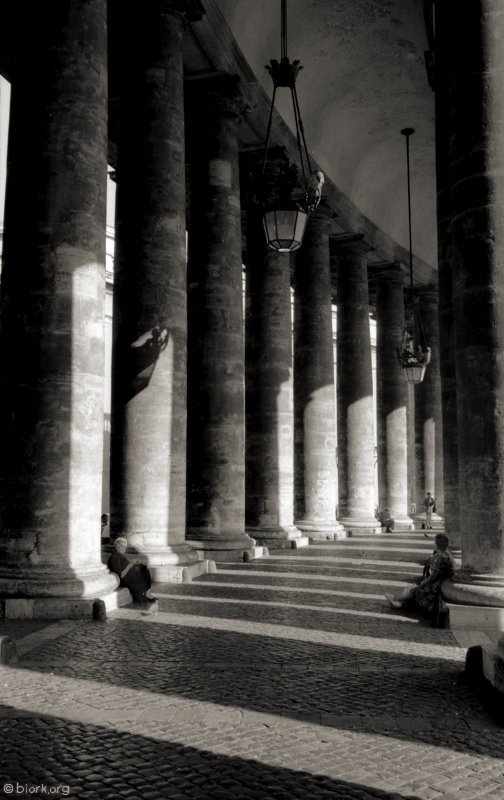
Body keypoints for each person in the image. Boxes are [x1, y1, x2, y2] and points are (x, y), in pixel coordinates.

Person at [385, 532, 454, 618]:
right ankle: (399, 602)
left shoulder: (442, 559)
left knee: (414, 590)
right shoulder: (447, 555)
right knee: (413, 589)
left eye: (434, 542)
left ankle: (396, 599)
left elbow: (433, 577)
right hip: (440, 583)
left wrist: (422, 584)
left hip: (436, 586)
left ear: (437, 545)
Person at [107, 537, 158, 611]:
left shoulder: (120, 555)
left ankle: (147, 593)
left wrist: (135, 564)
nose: (123, 548)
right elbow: (121, 575)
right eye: (121, 546)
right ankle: (144, 594)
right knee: (142, 573)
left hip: (129, 576)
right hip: (124, 579)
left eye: (124, 547)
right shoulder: (114, 557)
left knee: (143, 569)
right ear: (116, 545)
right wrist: (130, 565)